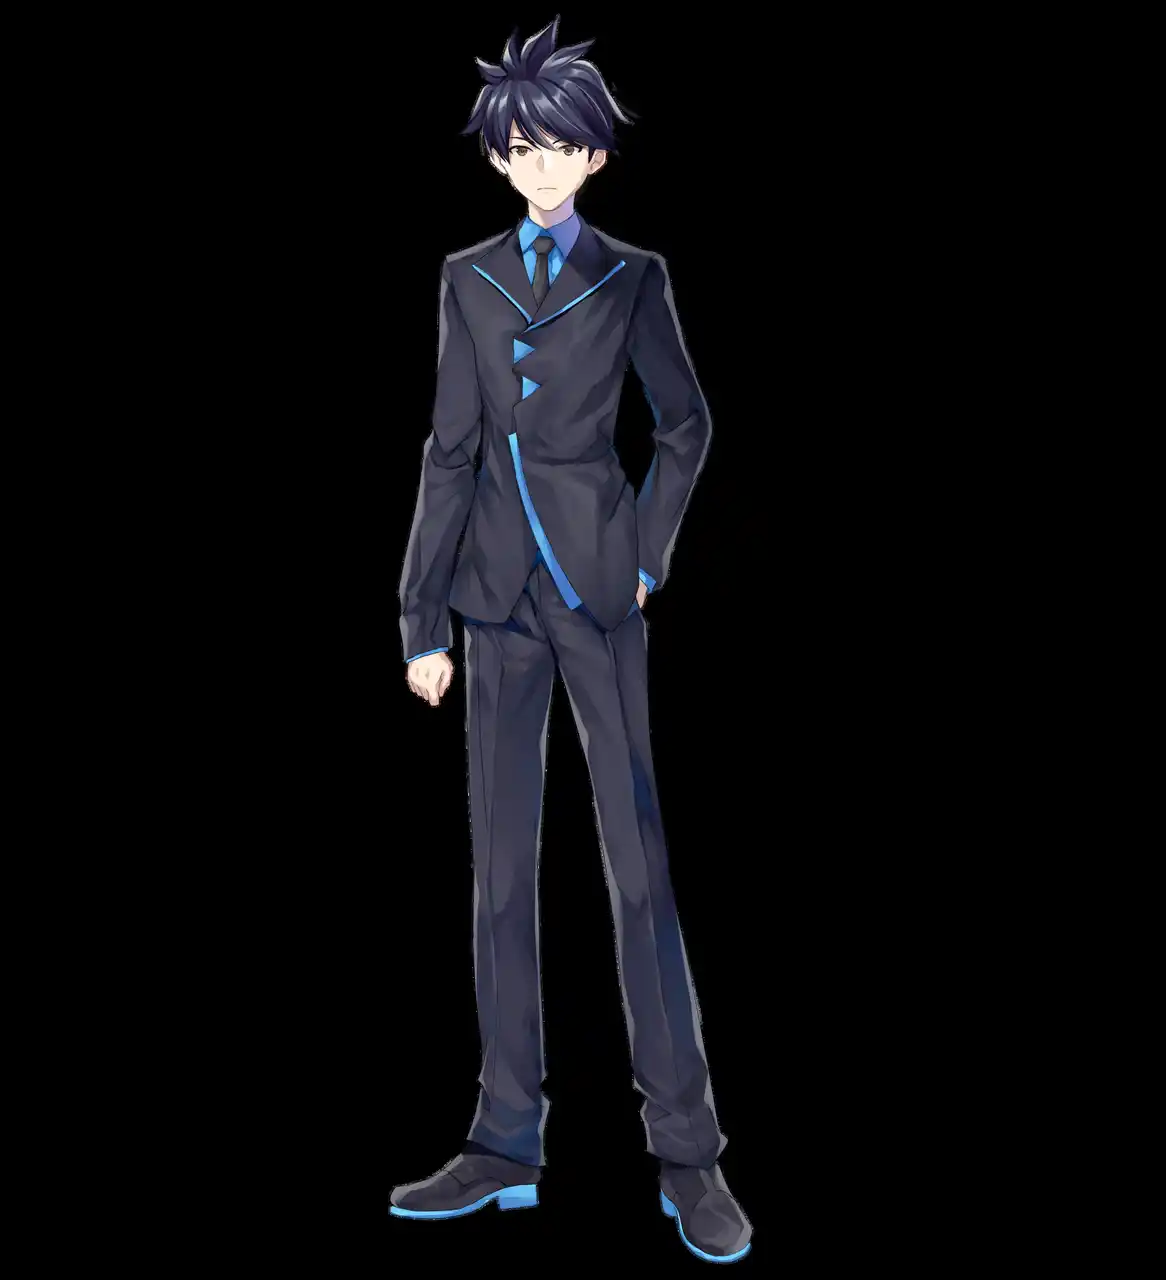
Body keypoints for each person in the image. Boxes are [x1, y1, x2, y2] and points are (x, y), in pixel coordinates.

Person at [392, 19, 751, 1263]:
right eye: (520, 148)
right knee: (498, 873)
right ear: (498, 157)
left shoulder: (634, 275)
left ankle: (687, 1151)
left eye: (561, 146)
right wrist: (419, 616)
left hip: (598, 593)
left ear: (596, 156)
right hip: (490, 598)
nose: (539, 165)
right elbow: (447, 449)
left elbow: (685, 425)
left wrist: (645, 555)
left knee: (635, 864)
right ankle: (504, 1137)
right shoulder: (466, 278)